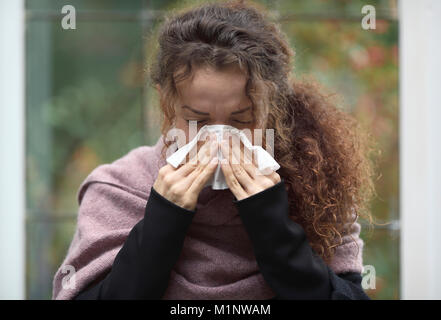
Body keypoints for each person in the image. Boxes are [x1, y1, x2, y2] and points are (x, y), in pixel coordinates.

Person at [52, 0, 375, 300]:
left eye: (242, 119)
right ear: (165, 104)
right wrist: (162, 220)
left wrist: (272, 226)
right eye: (197, 120)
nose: (219, 140)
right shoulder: (119, 186)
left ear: (271, 107)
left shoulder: (315, 183)